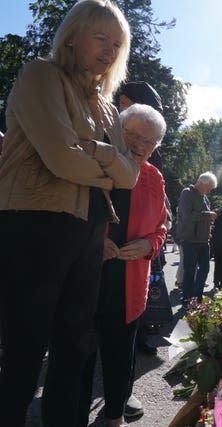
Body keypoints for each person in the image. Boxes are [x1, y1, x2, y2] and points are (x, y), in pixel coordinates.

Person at [0, 1, 137, 425]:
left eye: (117, 44)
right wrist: (107, 165)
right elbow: (62, 160)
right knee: (24, 346)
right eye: (101, 37)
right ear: (73, 35)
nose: (110, 50)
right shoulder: (40, 74)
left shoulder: (108, 107)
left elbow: (130, 174)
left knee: (74, 346)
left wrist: (92, 151)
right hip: (35, 220)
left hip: (87, 227)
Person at [78, 103, 167, 427]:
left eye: (149, 141)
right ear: (116, 131)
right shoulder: (90, 165)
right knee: (78, 364)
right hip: (83, 281)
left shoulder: (153, 178)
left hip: (127, 288)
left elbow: (160, 228)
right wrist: (93, 242)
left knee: (120, 362)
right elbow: (65, 218)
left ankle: (114, 417)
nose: (138, 145)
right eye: (132, 135)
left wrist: (149, 246)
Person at [177, 172, 218, 305]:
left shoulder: (205, 197)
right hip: (190, 240)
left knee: (205, 269)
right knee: (190, 270)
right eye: (209, 187)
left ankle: (197, 296)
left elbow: (203, 218)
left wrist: (209, 226)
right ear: (202, 183)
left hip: (203, 240)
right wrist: (208, 215)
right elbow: (187, 216)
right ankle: (187, 297)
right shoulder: (187, 193)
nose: (210, 190)